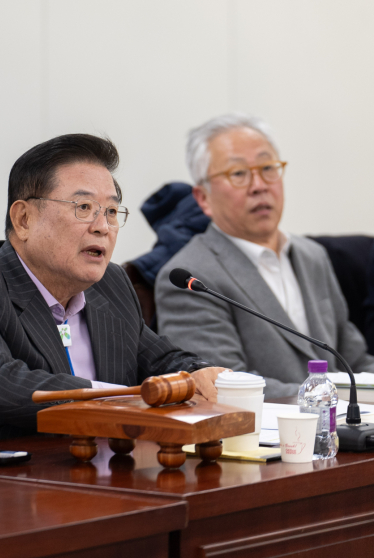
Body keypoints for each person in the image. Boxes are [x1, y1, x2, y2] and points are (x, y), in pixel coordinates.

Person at [0, 134, 225, 444]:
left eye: (111, 212)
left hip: (105, 466)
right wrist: (129, 400)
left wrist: (197, 373)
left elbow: (160, 360)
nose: (102, 227)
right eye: (84, 207)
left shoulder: (110, 284)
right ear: (23, 219)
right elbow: (0, 387)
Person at [155, 115, 374, 398]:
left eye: (268, 168)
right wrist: (329, 398)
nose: (259, 185)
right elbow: (223, 386)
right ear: (203, 198)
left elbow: (355, 361)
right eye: (238, 173)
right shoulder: (193, 277)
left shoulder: (313, 256)